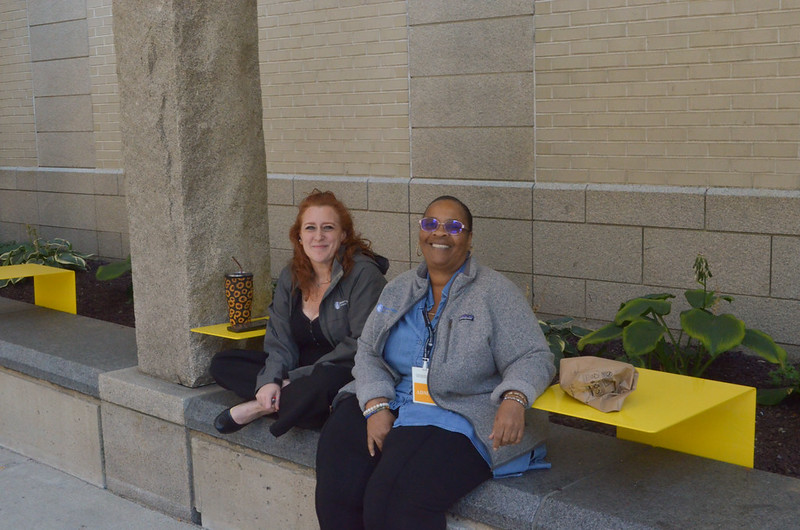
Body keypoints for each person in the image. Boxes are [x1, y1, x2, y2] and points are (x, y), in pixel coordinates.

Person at [314, 195, 556, 529]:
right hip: (395, 396)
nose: (439, 234)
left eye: (453, 227)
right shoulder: (399, 289)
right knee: (338, 472)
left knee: (396, 497)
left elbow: (534, 355)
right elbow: (368, 351)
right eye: (430, 224)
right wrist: (375, 405)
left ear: (469, 239)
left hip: (459, 411)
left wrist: (515, 398)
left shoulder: (495, 292)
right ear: (420, 233)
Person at [211, 190, 388, 437]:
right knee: (223, 364)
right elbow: (279, 336)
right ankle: (299, 404)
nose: (318, 236)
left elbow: (360, 344)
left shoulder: (364, 275)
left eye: (328, 228)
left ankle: (258, 407)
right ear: (299, 236)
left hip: (342, 368)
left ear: (344, 235)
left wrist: (295, 378)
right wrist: (272, 379)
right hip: (299, 369)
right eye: (310, 228)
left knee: (318, 386)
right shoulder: (292, 275)